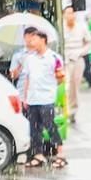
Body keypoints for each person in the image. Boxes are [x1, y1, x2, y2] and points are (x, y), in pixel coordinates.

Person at [18, 28, 66, 168]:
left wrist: (52, 85)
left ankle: (60, 153)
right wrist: (25, 97)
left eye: (34, 39)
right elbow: (27, 78)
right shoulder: (29, 59)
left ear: (43, 40)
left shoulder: (54, 58)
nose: (31, 42)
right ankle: (38, 154)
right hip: (32, 98)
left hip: (46, 98)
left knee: (50, 126)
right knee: (34, 129)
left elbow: (60, 76)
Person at [62, 6, 91, 122]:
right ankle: (63, 109)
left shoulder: (82, 26)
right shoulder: (60, 27)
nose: (70, 16)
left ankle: (73, 110)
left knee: (74, 86)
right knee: (65, 85)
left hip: (78, 58)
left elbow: (89, 43)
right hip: (64, 58)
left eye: (72, 13)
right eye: (67, 13)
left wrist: (80, 52)